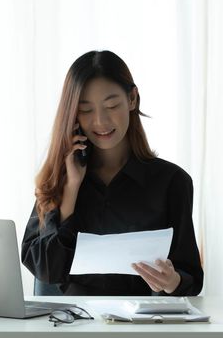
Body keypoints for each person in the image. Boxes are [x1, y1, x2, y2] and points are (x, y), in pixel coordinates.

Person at [21, 50, 204, 296]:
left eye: (112, 105)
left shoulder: (172, 182)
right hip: (74, 324)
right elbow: (46, 271)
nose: (101, 121)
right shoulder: (61, 178)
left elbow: (190, 278)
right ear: (73, 114)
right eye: (86, 110)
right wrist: (70, 191)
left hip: (143, 325)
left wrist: (172, 281)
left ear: (132, 99)